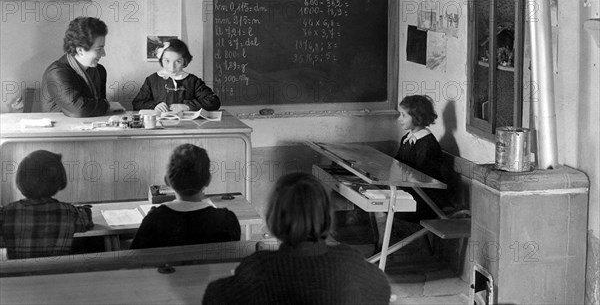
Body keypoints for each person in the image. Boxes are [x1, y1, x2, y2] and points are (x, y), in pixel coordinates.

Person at [202, 172, 391, 305]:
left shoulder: (259, 268)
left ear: (274, 217)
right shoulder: (350, 261)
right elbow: (382, 291)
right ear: (326, 215)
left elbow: (212, 297)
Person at [130, 144, 240, 249]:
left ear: (167, 181)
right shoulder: (227, 221)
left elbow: (134, 259)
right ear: (208, 180)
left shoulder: (154, 220)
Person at [372, 94, 446, 251]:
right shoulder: (408, 138)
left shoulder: (427, 145)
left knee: (378, 204)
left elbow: (421, 179)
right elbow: (396, 165)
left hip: (425, 201)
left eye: (404, 115)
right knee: (373, 199)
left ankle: (382, 247)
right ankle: (382, 244)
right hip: (411, 192)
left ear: (417, 117)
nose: (400, 119)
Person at [0, 150, 93, 259]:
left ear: (20, 179)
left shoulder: (7, 213)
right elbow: (87, 219)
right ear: (59, 180)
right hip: (57, 274)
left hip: (19, 275)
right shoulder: (70, 212)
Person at [42, 16, 124, 117]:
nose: (104, 54)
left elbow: (98, 109)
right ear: (80, 50)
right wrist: (108, 105)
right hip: (61, 131)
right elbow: (78, 109)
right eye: (99, 49)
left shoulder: (100, 71)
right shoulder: (56, 73)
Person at [132, 39, 220, 113]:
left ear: (185, 61)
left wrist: (187, 106)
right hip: (159, 127)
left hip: (188, 127)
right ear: (161, 60)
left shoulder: (193, 81)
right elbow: (137, 103)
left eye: (178, 61)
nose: (172, 67)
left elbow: (214, 102)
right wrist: (155, 106)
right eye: (167, 61)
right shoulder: (152, 80)